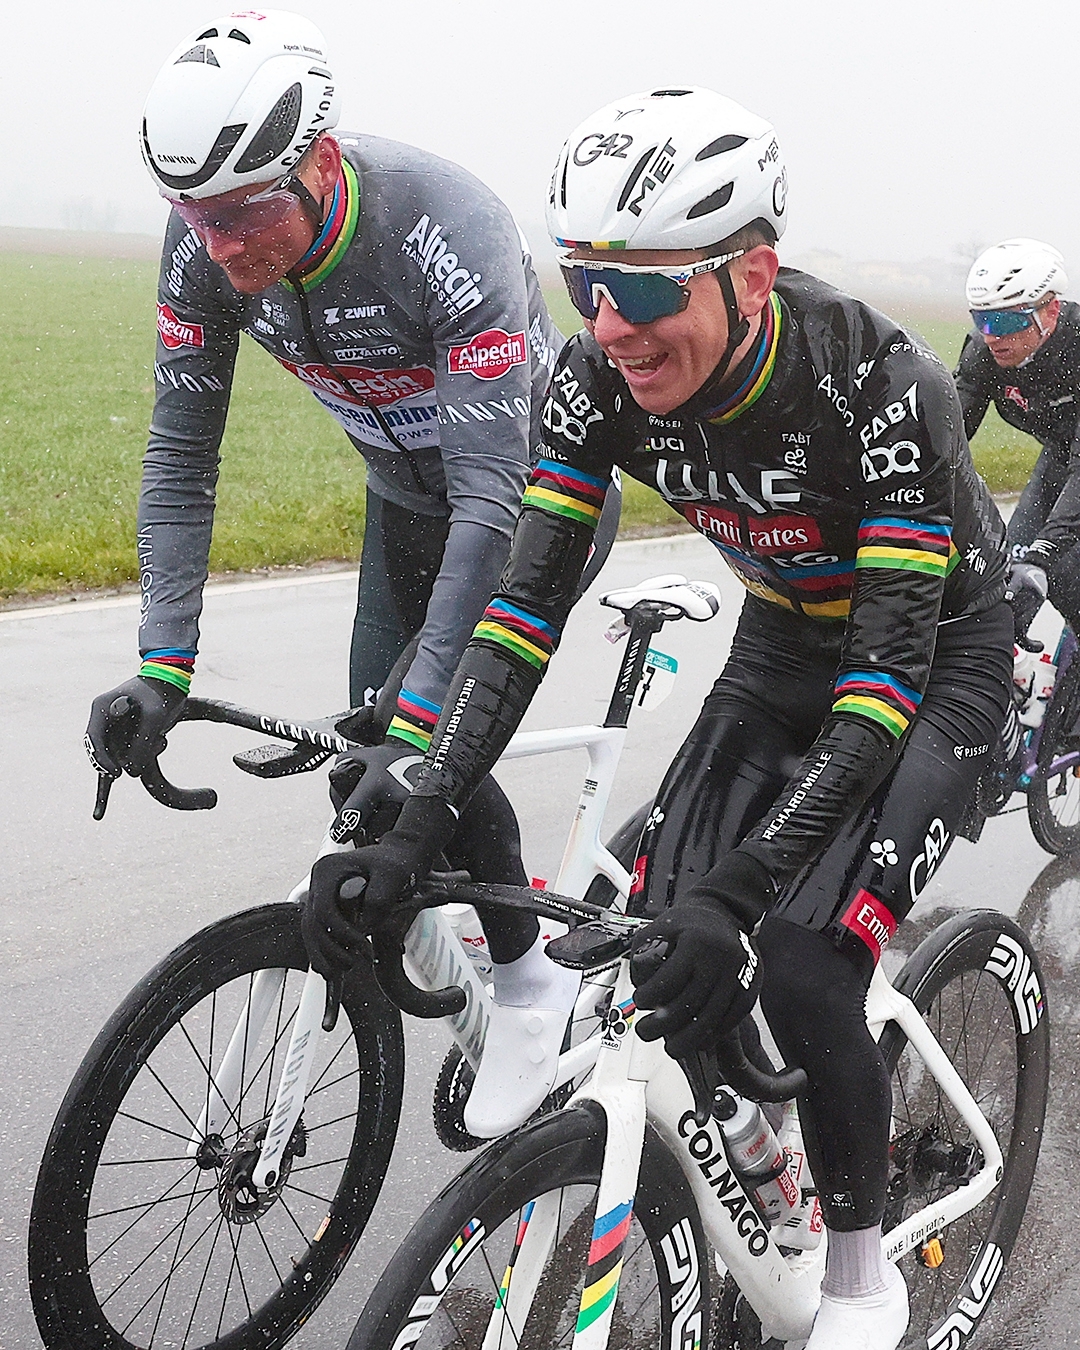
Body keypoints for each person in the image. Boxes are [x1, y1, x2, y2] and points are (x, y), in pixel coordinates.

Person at [304, 87, 1013, 1348]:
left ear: (752, 272)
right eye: (584, 284)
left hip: (939, 662)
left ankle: (860, 1278)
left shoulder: (881, 381)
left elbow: (888, 680)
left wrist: (746, 887)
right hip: (787, 641)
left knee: (797, 962)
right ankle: (757, 1139)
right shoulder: (589, 380)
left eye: (643, 292)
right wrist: (422, 807)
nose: (610, 326)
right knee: (656, 940)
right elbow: (522, 611)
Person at [82, 8, 595, 1135]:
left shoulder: (442, 223)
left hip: (524, 508)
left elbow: (490, 503)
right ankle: (442, 943)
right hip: (403, 507)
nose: (220, 248)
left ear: (318, 162)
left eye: (244, 214)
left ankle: (529, 984)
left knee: (422, 749)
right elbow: (179, 461)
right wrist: (161, 663)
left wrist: (419, 730)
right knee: (363, 764)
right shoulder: (205, 248)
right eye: (193, 217)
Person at [955, 239, 1079, 645]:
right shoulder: (984, 353)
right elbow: (944, 439)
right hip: (1061, 455)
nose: (992, 336)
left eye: (1006, 322)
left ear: (1051, 311)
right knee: (1013, 579)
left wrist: (1045, 553)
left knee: (1058, 569)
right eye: (982, 320)